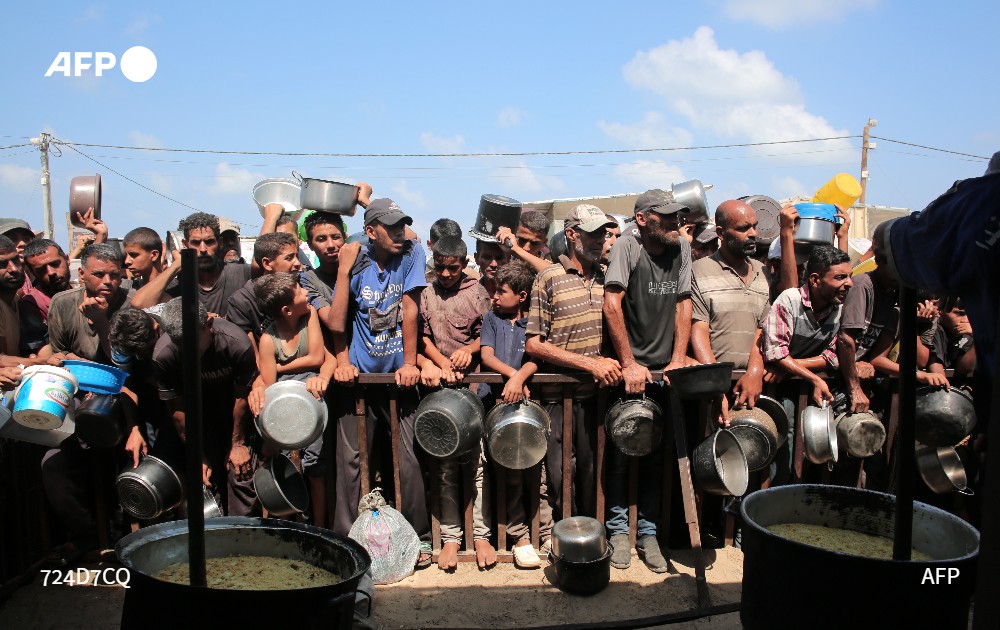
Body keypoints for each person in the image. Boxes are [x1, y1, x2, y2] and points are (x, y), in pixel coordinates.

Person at [329, 198, 432, 566]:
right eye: (392, 228)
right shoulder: (353, 259)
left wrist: (408, 362)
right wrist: (342, 361)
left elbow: (409, 308)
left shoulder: (411, 254)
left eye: (403, 226)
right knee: (352, 462)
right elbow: (338, 324)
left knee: (409, 461)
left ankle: (418, 538)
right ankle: (346, 544)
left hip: (398, 380)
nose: (401, 233)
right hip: (358, 379)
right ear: (371, 232)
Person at [603, 189, 694, 572]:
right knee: (622, 457)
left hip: (662, 374)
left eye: (677, 217)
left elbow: (683, 303)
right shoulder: (628, 246)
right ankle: (618, 533)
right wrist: (628, 362)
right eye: (666, 217)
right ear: (642, 219)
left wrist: (676, 359)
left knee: (659, 458)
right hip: (630, 374)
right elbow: (612, 302)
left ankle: (650, 535)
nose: (675, 223)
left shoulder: (681, 249)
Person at [525, 204, 621, 544]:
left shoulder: (610, 274)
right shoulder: (549, 277)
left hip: (598, 398)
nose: (600, 240)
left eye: (604, 234)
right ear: (571, 234)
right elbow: (535, 345)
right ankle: (564, 541)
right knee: (559, 475)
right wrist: (590, 363)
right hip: (557, 399)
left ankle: (591, 542)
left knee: (593, 475)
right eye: (593, 233)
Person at [750, 244, 869, 483]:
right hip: (779, 391)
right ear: (815, 280)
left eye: (850, 276)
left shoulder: (839, 307)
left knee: (818, 445)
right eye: (840, 277)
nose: (849, 284)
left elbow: (834, 356)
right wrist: (813, 377)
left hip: (802, 386)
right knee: (784, 441)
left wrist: (794, 368)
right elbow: (775, 351)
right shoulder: (790, 299)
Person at [419, 236, 496, 570]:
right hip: (439, 396)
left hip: (474, 393)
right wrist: (438, 361)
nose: (446, 274)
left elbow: (489, 333)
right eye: (440, 267)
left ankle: (482, 535)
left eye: (453, 268)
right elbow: (422, 337)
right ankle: (451, 537)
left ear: (465, 264)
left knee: (479, 467)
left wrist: (471, 349)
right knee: (446, 468)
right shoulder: (426, 293)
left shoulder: (478, 293)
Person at [152, 297, 259, 515]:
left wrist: (238, 443)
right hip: (197, 415)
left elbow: (241, 398)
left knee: (240, 473)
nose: (188, 352)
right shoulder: (164, 355)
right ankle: (213, 540)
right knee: (206, 480)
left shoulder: (236, 343)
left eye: (192, 342)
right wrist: (197, 453)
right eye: (181, 344)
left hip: (234, 408)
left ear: (209, 324)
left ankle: (243, 539)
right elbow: (177, 411)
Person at [250, 271, 335, 525]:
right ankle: (293, 526)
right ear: (286, 310)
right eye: (299, 290)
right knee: (287, 468)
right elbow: (268, 383)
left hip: (312, 405)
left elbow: (317, 358)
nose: (305, 292)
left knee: (315, 469)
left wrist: (281, 367)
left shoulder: (309, 315)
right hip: (284, 411)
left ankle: (319, 527)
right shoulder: (268, 340)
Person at [480, 260, 542, 568]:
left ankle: (546, 532)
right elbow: (486, 354)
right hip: (496, 406)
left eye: (501, 292)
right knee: (510, 473)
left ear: (521, 296)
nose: (494, 296)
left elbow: (537, 356)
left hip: (528, 409)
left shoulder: (534, 320)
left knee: (539, 474)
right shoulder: (492, 319)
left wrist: (520, 377)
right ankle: (519, 536)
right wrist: (512, 376)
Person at [690, 200, 771, 420]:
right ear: (721, 233)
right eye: (744, 228)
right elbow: (698, 331)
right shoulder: (699, 271)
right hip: (712, 388)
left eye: (754, 226)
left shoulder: (764, 272)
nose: (753, 233)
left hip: (754, 389)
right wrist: (716, 389)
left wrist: (755, 372)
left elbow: (763, 330)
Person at [130, 212, 251, 314]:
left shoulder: (240, 273)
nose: (203, 249)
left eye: (209, 242)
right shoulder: (179, 285)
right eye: (196, 243)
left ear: (220, 242)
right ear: (185, 244)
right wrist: (176, 266)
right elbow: (139, 304)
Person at [39, 243, 129, 364]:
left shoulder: (132, 303)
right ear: (81, 274)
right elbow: (60, 352)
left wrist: (100, 320)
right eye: (99, 274)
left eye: (114, 275)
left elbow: (124, 361)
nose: (107, 281)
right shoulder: (62, 303)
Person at [225, 232, 303, 347]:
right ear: (267, 263)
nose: (297, 263)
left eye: (297, 256)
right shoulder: (242, 302)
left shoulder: (302, 291)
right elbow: (251, 358)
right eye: (289, 258)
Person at [19, 238, 71, 356]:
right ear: (33, 273)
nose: (51, 272)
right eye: (41, 269)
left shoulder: (82, 295)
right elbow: (45, 355)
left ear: (67, 259)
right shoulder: (32, 304)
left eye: (55, 264)